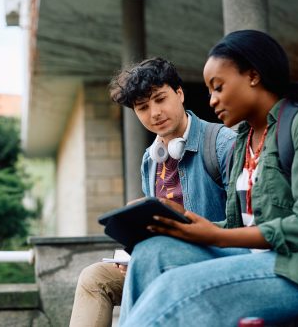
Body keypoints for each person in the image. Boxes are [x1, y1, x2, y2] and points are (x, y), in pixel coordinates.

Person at [118, 30, 298, 327]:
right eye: (209, 91)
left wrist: (217, 236)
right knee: (152, 252)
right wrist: (181, 222)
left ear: (253, 76)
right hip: (253, 256)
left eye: (218, 87)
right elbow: (240, 226)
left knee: (175, 286)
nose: (212, 100)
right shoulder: (244, 139)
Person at [69, 57, 236, 327]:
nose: (154, 113)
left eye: (160, 99)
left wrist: (186, 232)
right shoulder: (150, 159)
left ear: (179, 93)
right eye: (143, 107)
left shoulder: (221, 143)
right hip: (160, 261)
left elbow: (244, 224)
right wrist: (135, 250)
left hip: (209, 259)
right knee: (94, 277)